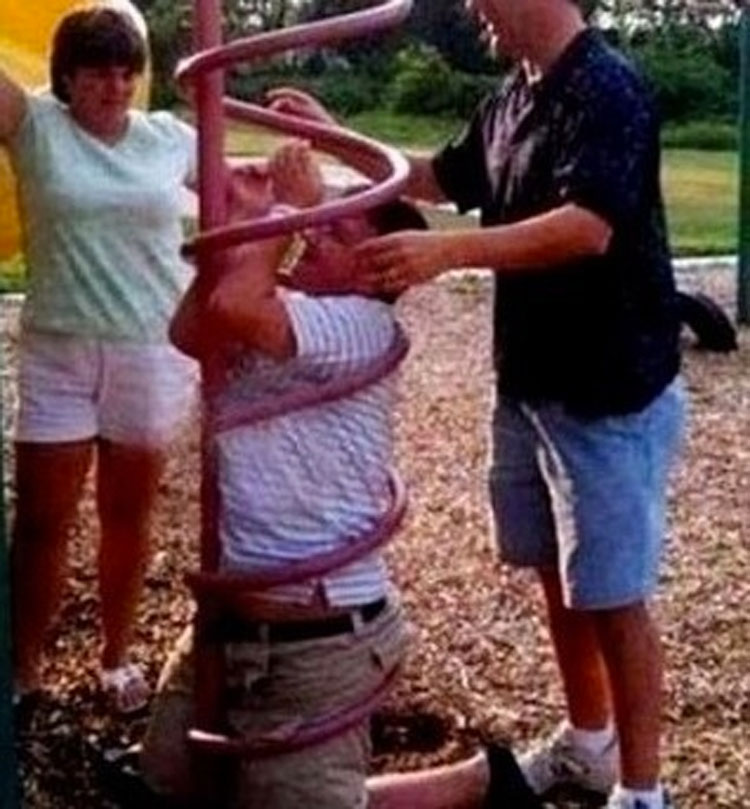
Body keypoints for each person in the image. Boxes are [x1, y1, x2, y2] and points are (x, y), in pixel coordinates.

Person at [267, 0, 686, 807]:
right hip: (533, 380)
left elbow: (588, 227)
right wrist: (337, 135)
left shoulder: (609, 88)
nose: (469, 7)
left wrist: (447, 252)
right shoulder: (514, 95)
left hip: (606, 390)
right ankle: (589, 743)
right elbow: (439, 177)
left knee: (614, 594)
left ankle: (643, 791)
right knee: (562, 575)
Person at [138, 141, 428, 809]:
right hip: (228, 626)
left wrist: (287, 212)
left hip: (316, 645)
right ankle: (476, 780)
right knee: (164, 782)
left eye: (336, 229)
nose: (314, 232)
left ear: (378, 270)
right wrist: (247, 223)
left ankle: (474, 783)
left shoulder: (361, 326)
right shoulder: (285, 307)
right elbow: (193, 330)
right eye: (317, 222)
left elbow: (236, 307)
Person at [0, 5, 197, 714]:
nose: (114, 87)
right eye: (95, 73)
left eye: (125, 72)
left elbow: (246, 194)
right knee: (41, 520)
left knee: (127, 515)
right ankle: (24, 669)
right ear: (66, 77)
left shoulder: (169, 137)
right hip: (60, 348)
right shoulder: (34, 125)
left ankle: (115, 658)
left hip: (148, 347)